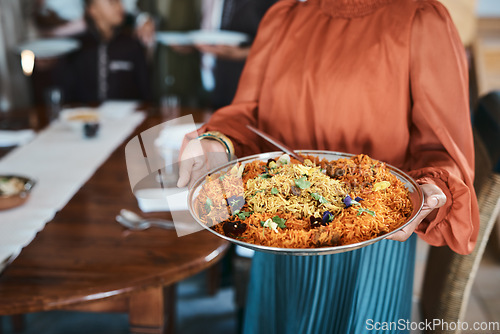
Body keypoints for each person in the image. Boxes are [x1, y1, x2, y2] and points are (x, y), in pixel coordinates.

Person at [177, 0, 480, 333]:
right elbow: (246, 116)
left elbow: (441, 149)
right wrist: (219, 143)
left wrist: (431, 188)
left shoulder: (421, 19)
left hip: (372, 245)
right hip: (280, 239)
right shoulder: (283, 17)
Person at [53, 0, 150, 104]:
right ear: (92, 9)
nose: (120, 6)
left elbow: (146, 92)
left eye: (120, 2)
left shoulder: (132, 44)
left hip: (129, 117)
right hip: (83, 116)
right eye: (112, 2)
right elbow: (64, 94)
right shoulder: (74, 47)